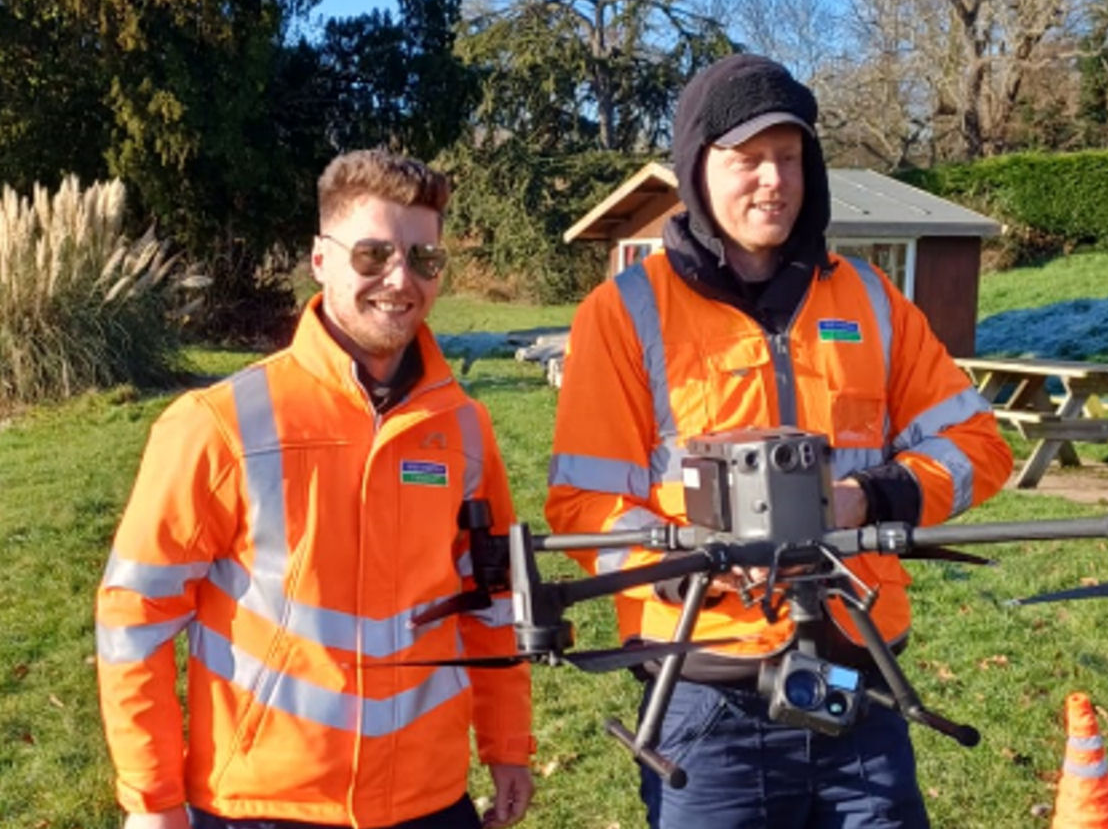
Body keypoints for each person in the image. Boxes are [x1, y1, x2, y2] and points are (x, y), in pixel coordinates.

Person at [545, 54, 1013, 828]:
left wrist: (872, 495)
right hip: (706, 703)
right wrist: (686, 568)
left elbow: (978, 445)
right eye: (749, 159)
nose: (773, 180)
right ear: (699, 168)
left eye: (789, 157)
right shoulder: (623, 312)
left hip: (858, 688)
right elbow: (583, 503)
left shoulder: (871, 299)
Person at [96, 149, 535, 829]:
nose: (400, 279)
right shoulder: (218, 425)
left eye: (425, 259)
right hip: (263, 808)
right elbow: (134, 619)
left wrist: (507, 745)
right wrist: (151, 801)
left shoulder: (465, 430)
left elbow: (493, 604)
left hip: (430, 804)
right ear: (320, 258)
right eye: (372, 254)